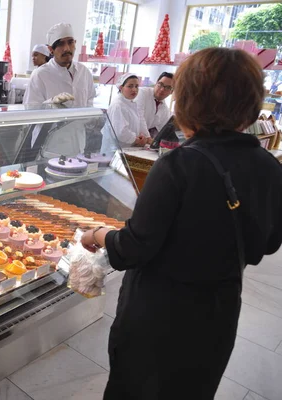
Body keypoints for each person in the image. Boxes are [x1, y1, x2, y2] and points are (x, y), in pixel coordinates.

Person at [81, 47, 282, 399]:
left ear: (189, 99)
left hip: (159, 315)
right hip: (219, 310)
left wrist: (99, 234)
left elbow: (133, 248)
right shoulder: (269, 167)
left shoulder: (178, 166)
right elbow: (266, 243)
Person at [23, 23, 95, 156]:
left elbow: (90, 101)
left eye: (70, 42)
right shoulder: (40, 74)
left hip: (78, 144)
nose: (66, 48)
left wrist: (90, 117)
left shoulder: (84, 72)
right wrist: (50, 104)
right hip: (49, 148)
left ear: (75, 43)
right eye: (60, 44)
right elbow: (29, 112)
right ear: (51, 49)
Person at [100, 73, 150, 155]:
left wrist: (145, 137)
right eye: (130, 86)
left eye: (136, 86)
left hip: (126, 150)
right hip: (114, 151)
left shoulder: (131, 103)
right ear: (121, 87)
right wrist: (136, 139)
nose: (134, 90)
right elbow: (121, 132)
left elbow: (140, 122)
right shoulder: (118, 105)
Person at [136, 71, 174, 136]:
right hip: (125, 136)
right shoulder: (142, 93)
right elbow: (139, 118)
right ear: (156, 83)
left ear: (171, 91)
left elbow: (164, 129)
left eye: (168, 87)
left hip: (140, 139)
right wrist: (148, 138)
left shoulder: (164, 108)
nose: (162, 89)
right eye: (160, 84)